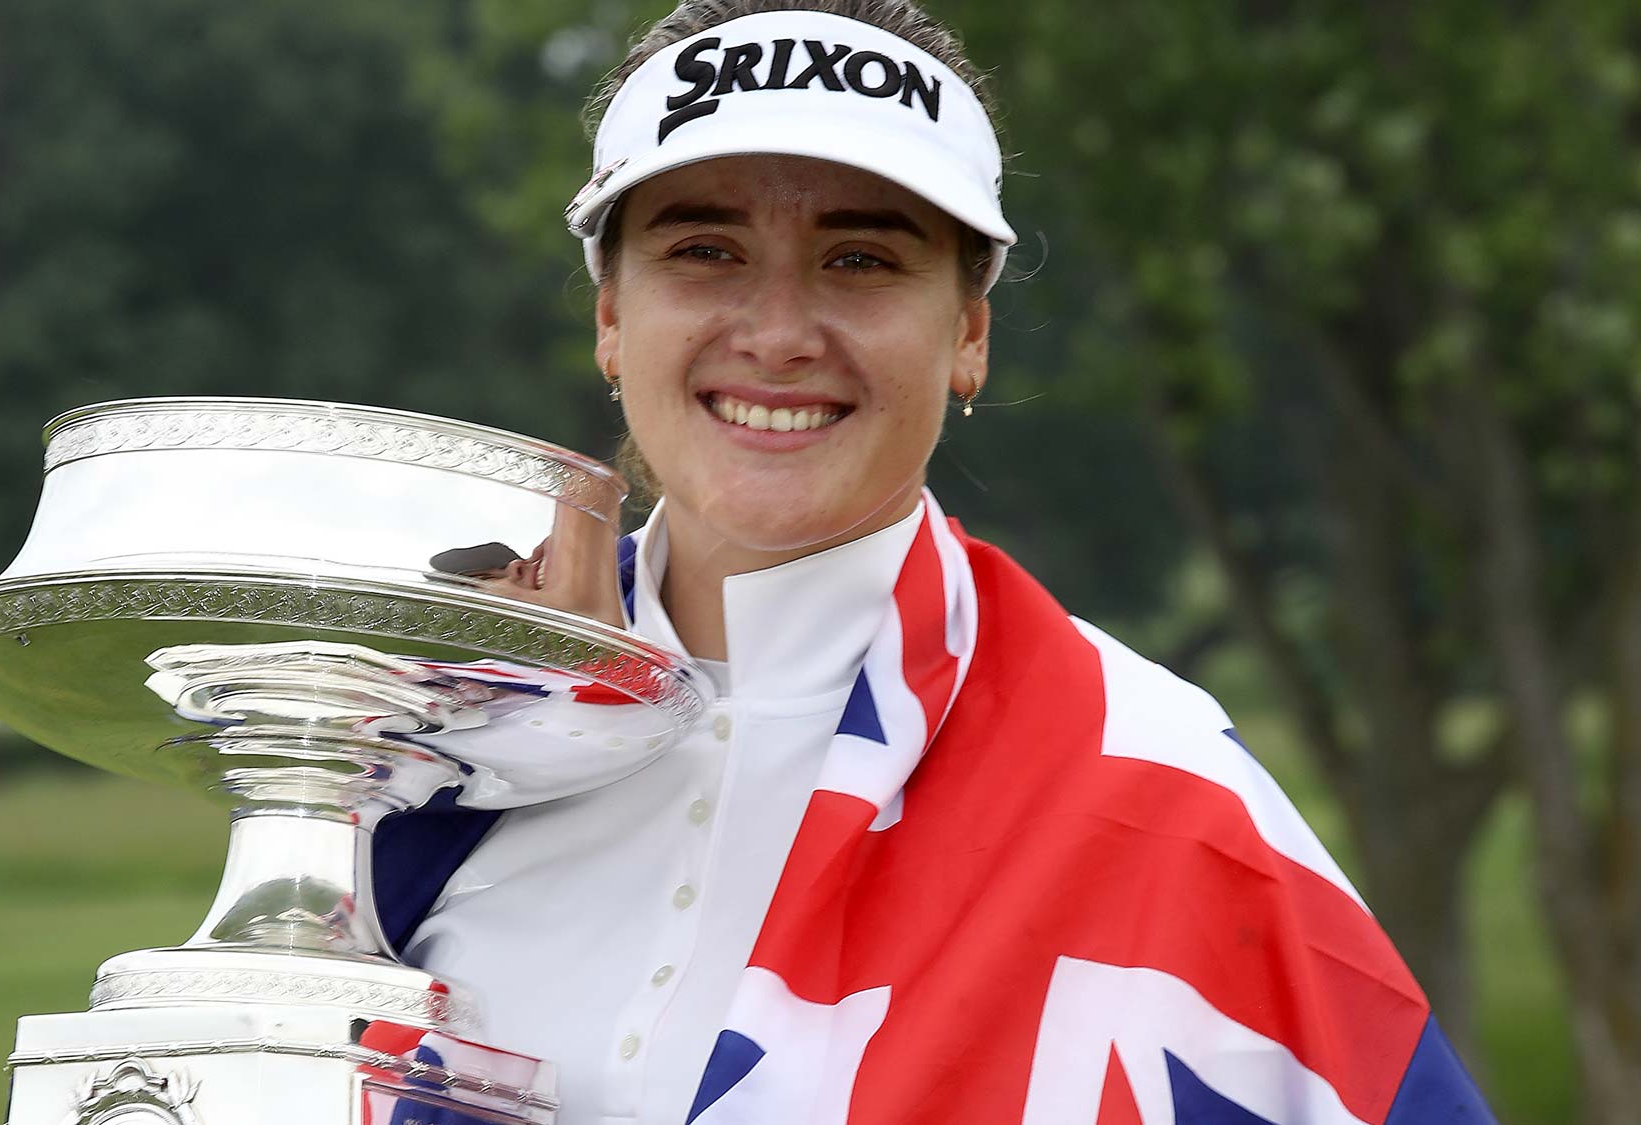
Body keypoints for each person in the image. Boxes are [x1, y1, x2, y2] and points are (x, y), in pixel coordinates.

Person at [373, 2, 1497, 1122]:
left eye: (859, 258)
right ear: (612, 315)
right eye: (703, 251)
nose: (776, 332)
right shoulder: (427, 734)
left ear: (968, 332)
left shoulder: (1162, 793)